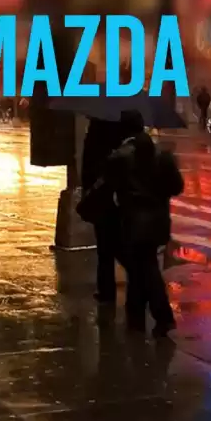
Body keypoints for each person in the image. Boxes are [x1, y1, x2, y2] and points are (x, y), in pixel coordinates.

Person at [104, 110, 184, 337]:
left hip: (133, 222)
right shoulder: (162, 155)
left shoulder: (118, 158)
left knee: (145, 268)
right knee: (139, 267)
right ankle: (136, 315)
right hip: (158, 221)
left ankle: (163, 316)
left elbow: (108, 188)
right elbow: (177, 187)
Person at [81, 118, 125, 304]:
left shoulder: (95, 138)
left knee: (105, 248)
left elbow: (87, 170)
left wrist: (87, 193)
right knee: (118, 246)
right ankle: (140, 283)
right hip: (120, 200)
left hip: (102, 199)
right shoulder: (124, 140)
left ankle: (106, 291)